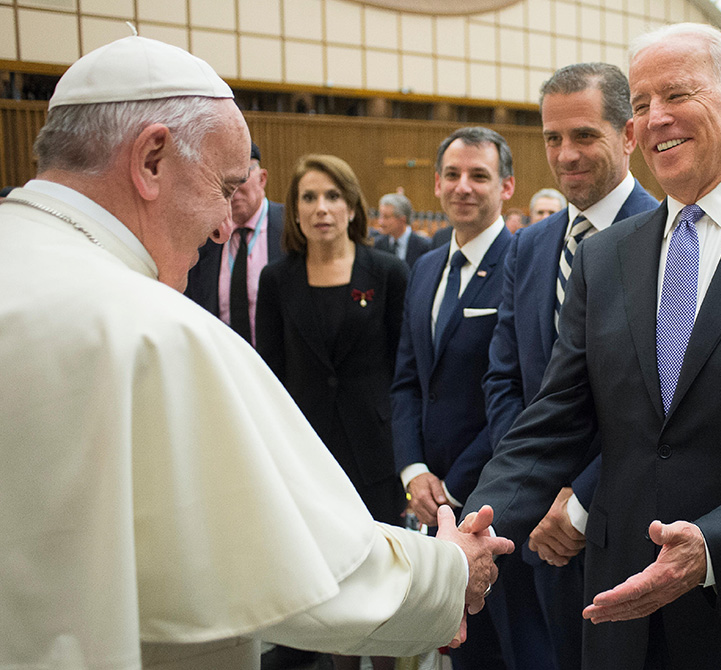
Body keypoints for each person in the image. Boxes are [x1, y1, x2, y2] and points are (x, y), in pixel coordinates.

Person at [0, 36, 513, 670]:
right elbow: (287, 564)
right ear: (151, 160)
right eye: (223, 186)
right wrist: (448, 572)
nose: (224, 225)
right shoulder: (152, 328)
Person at [465, 23, 721, 669]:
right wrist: (476, 530)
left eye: (677, 95)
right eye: (639, 103)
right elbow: (555, 420)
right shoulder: (605, 257)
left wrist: (713, 545)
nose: (655, 119)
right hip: (618, 605)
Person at [484, 61, 659, 670]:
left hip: (628, 521)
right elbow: (506, 380)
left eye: (584, 135)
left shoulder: (671, 239)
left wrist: (579, 497)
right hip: (540, 528)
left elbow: (663, 402)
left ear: (629, 135)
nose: (566, 155)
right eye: (553, 138)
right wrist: (537, 491)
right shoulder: (530, 245)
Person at [256, 155, 411, 670]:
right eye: (308, 198)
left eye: (332, 197)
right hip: (310, 453)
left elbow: (401, 367)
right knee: (330, 580)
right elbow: (272, 372)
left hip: (376, 448)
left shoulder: (386, 272)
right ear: (295, 213)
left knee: (384, 577)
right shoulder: (278, 280)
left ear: (351, 206)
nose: (321, 208)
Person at [392, 126, 515, 670]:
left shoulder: (521, 264)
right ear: (437, 185)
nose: (463, 187)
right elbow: (408, 380)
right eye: (452, 175)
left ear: (506, 187)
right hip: (427, 492)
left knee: (496, 650)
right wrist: (414, 471)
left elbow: (519, 393)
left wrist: (454, 489)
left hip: (489, 496)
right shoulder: (423, 267)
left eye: (479, 176)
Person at [185, 141, 284, 346]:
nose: (233, 190)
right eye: (223, 181)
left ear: (262, 178)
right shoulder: (205, 237)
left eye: (240, 178)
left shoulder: (291, 230)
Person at [373, 192, 432, 269]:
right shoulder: (377, 245)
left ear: (402, 220)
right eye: (380, 216)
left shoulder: (424, 246)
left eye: (386, 217)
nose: (381, 222)